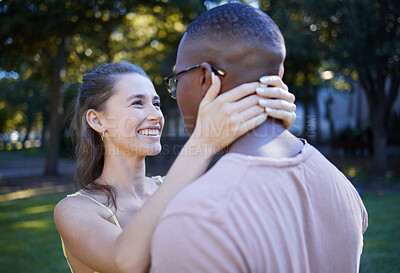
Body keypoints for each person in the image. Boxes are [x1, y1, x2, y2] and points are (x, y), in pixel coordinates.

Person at [150, 3, 368, 273]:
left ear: (206, 78)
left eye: (177, 78)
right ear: (279, 78)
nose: (175, 91)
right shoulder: (342, 187)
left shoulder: (197, 218)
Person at [54, 61, 297, 273]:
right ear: (97, 120)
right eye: (138, 103)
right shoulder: (75, 210)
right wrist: (204, 140)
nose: (156, 115)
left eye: (156, 103)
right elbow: (126, 261)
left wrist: (270, 125)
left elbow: (256, 216)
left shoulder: (180, 188)